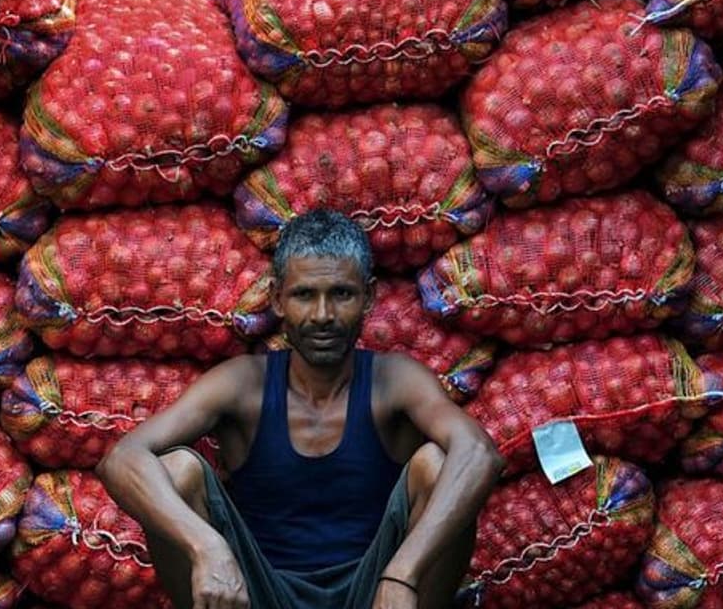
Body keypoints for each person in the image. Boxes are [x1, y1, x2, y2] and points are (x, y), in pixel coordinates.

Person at [96, 209, 504, 609]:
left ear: (368, 297)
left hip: (377, 593)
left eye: (341, 294)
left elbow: (478, 452)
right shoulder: (242, 385)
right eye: (304, 295)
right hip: (259, 593)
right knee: (176, 471)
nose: (323, 315)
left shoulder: (395, 382)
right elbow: (123, 457)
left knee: (437, 465)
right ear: (277, 300)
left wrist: (402, 575)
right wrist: (206, 548)